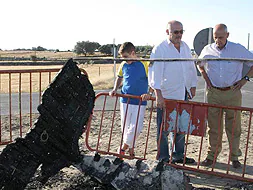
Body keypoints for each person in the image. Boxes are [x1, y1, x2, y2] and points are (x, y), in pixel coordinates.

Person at [198, 24, 253, 168]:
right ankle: (212, 156)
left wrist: (244, 80)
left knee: (234, 126)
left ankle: (234, 157)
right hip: (214, 93)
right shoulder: (207, 50)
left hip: (233, 93)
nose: (218, 41)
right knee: (213, 127)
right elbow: (200, 64)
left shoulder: (238, 49)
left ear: (227, 35)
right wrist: (206, 79)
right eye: (215, 37)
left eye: (221, 37)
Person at [149, 20, 198, 163]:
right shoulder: (160, 49)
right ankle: (163, 157)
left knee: (181, 128)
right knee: (164, 129)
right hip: (167, 95)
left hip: (183, 94)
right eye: (175, 32)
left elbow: (190, 67)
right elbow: (155, 73)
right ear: (167, 32)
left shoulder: (185, 47)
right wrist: (158, 94)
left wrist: (192, 85)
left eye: (181, 31)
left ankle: (178, 155)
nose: (179, 35)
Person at [109, 42, 152, 157]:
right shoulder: (123, 65)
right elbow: (119, 78)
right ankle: (131, 149)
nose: (125, 60)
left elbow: (153, 80)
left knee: (137, 127)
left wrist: (149, 93)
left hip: (139, 101)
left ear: (133, 53)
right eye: (123, 58)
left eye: (126, 57)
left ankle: (122, 149)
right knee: (125, 127)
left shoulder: (145, 64)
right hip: (124, 99)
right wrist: (115, 89)